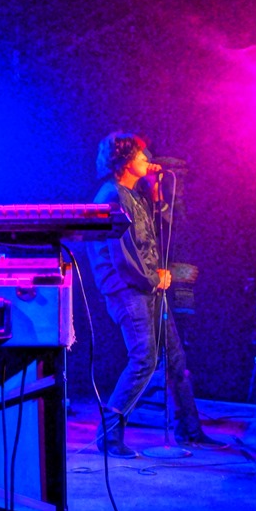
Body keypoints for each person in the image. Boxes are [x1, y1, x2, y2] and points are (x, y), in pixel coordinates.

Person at [87, 132, 218, 457]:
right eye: (141, 155)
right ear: (124, 160)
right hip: (128, 290)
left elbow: (152, 240)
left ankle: (189, 430)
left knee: (175, 359)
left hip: (146, 287)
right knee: (144, 359)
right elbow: (122, 256)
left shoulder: (133, 194)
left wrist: (157, 193)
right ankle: (109, 434)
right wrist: (152, 278)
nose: (148, 160)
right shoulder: (112, 196)